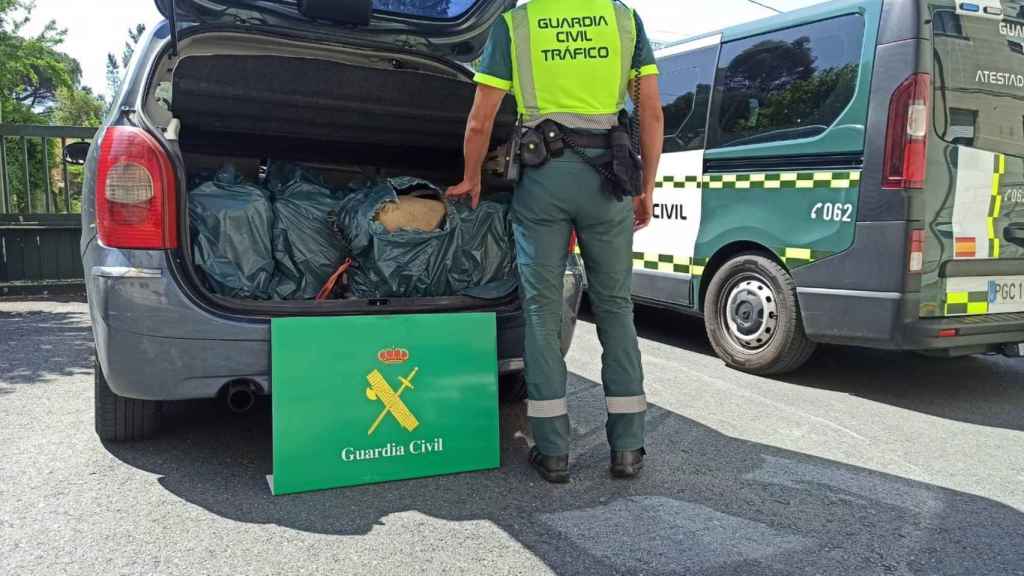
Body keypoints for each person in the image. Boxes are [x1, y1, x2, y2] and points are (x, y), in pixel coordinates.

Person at [446, 0, 664, 483]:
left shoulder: (516, 24)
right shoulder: (623, 19)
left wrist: (470, 177)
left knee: (542, 315)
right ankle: (627, 448)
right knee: (616, 309)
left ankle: (553, 452)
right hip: (609, 180)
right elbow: (649, 111)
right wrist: (646, 186)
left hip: (543, 180)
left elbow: (480, 120)